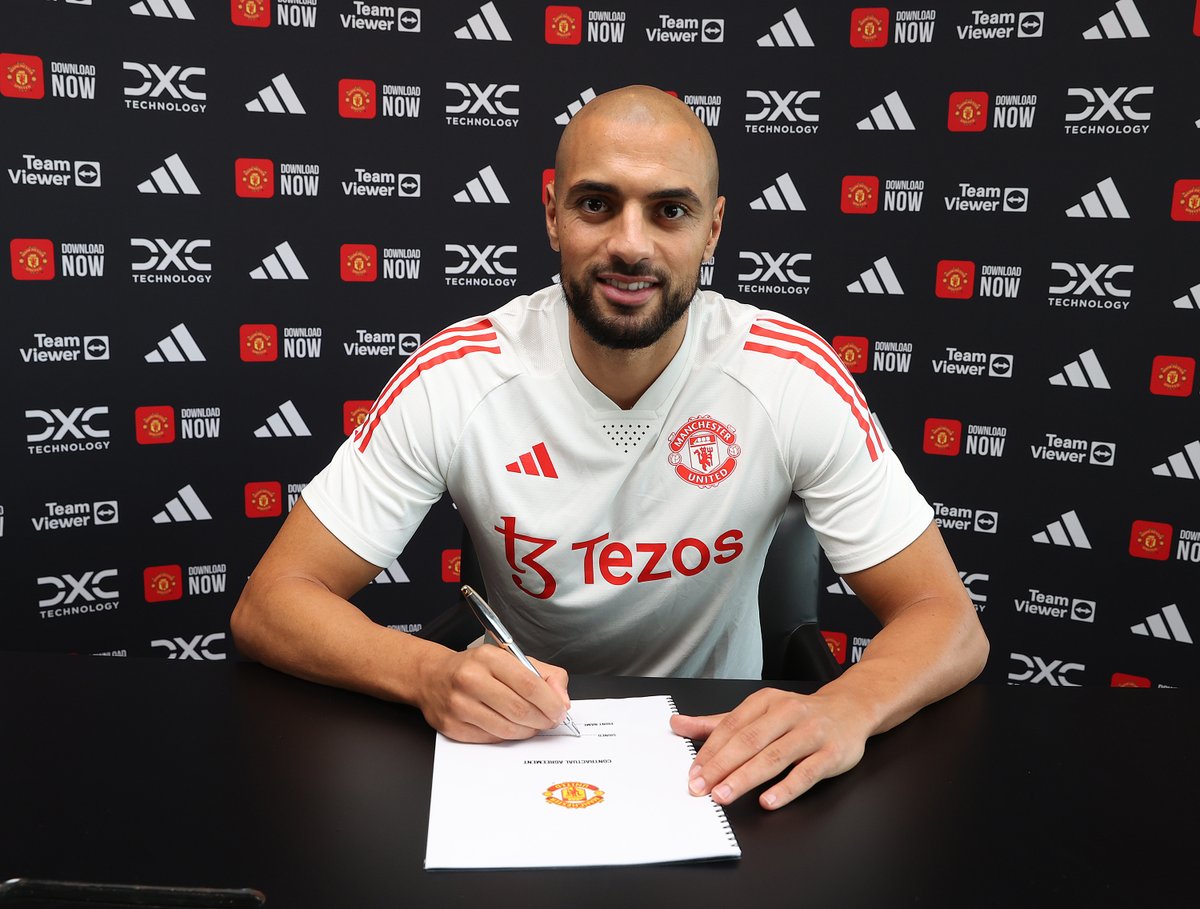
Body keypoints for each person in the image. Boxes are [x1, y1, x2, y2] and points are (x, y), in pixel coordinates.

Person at [232, 85, 989, 811]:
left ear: (713, 230)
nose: (631, 245)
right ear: (553, 215)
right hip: (519, 743)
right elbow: (270, 603)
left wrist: (848, 703)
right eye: (597, 204)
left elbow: (948, 619)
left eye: (669, 211)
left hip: (719, 747)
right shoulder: (458, 376)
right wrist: (428, 671)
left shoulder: (789, 375)